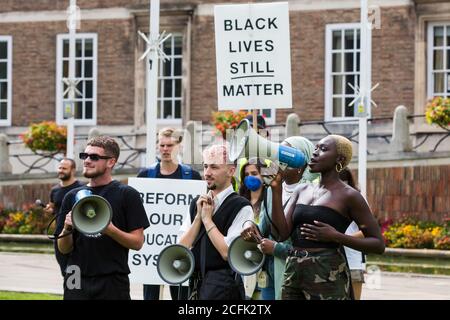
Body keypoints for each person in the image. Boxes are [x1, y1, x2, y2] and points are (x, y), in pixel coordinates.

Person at [267, 134, 385, 300]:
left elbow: (378, 244)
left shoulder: (349, 195)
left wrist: (337, 236)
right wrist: (276, 189)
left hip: (328, 273)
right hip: (294, 271)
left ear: (339, 159)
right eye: (315, 148)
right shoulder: (302, 190)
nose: (315, 153)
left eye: (322, 149)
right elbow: (281, 234)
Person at [57, 136, 150, 300]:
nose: (87, 161)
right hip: (75, 275)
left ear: (111, 162)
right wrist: (67, 228)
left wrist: (110, 229)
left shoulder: (127, 194)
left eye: (94, 157)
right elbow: (63, 249)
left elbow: (137, 243)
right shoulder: (71, 196)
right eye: (84, 156)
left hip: (112, 278)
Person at [242, 136, 320, 300]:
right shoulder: (271, 189)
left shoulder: (312, 193)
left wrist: (277, 248)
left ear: (301, 164)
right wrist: (250, 226)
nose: (279, 159)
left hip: (296, 271)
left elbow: (309, 246)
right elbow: (264, 227)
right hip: (270, 269)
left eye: (286, 155)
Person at [179, 144, 253, 300]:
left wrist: (207, 220)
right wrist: (199, 218)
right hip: (195, 283)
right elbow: (181, 248)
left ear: (231, 171)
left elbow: (228, 252)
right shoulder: (196, 203)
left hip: (224, 286)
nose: (207, 173)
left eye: (214, 167)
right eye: (205, 166)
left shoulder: (242, 206)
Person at [137, 127, 201, 300]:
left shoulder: (191, 176)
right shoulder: (145, 176)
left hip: (181, 250)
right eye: (162, 145)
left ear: (178, 146)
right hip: (150, 253)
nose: (165, 149)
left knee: (182, 298)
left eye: (170, 145)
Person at [238, 157, 274, 300]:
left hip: (264, 266)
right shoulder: (239, 200)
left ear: (264, 175)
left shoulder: (271, 199)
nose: (250, 178)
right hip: (243, 260)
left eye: (254, 173)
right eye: (246, 175)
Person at [44, 158, 84, 277]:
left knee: (76, 269)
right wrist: (48, 210)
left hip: (77, 235)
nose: (61, 170)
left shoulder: (81, 188)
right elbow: (52, 208)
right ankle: (70, 291)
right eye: (60, 167)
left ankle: (76, 291)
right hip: (59, 235)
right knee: (65, 270)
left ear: (73, 170)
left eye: (64, 168)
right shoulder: (55, 190)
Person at [339, 167, 366, 300]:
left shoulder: (357, 200)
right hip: (328, 261)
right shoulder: (322, 198)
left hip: (353, 260)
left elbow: (366, 232)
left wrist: (341, 239)